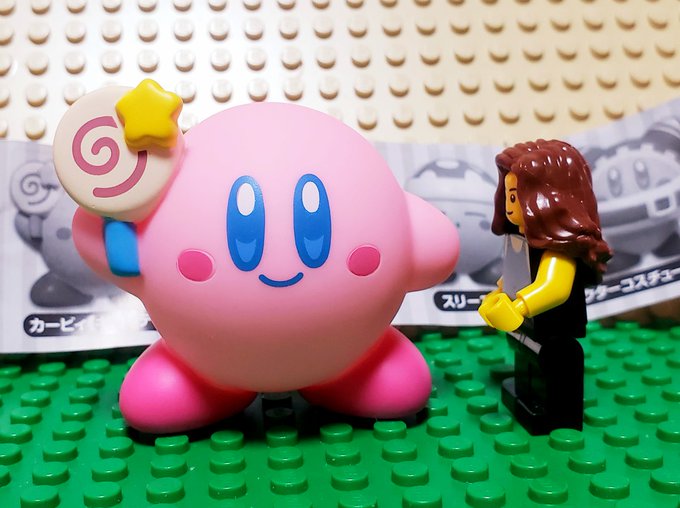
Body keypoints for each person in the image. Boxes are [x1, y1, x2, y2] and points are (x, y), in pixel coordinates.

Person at [479, 139, 612, 435]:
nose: (510, 206)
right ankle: (527, 396)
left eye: (516, 196)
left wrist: (518, 307)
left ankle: (556, 412)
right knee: (524, 355)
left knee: (555, 363)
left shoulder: (558, 253)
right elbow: (512, 276)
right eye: (509, 196)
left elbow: (554, 287)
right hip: (530, 326)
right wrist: (495, 297)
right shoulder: (522, 242)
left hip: (553, 328)